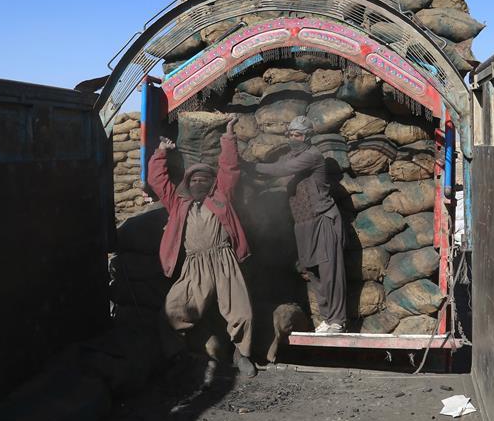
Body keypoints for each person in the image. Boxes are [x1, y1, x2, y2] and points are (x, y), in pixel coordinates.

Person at [147, 116, 257, 378]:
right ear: (187, 183)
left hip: (224, 261)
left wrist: (228, 137)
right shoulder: (178, 203)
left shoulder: (221, 198)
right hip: (194, 265)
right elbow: (157, 181)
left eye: (204, 180)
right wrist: (161, 152)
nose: (199, 183)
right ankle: (177, 356)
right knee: (173, 310)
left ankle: (242, 355)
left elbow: (229, 169)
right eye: (194, 180)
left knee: (242, 312)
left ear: (211, 183)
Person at [248, 116, 347, 333]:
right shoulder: (294, 156)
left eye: (298, 135)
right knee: (312, 271)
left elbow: (281, 169)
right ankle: (328, 317)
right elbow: (280, 166)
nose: (294, 138)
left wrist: (251, 166)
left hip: (322, 220)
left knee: (329, 271)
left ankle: (337, 320)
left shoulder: (312, 156)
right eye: (291, 134)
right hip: (303, 223)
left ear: (308, 136)